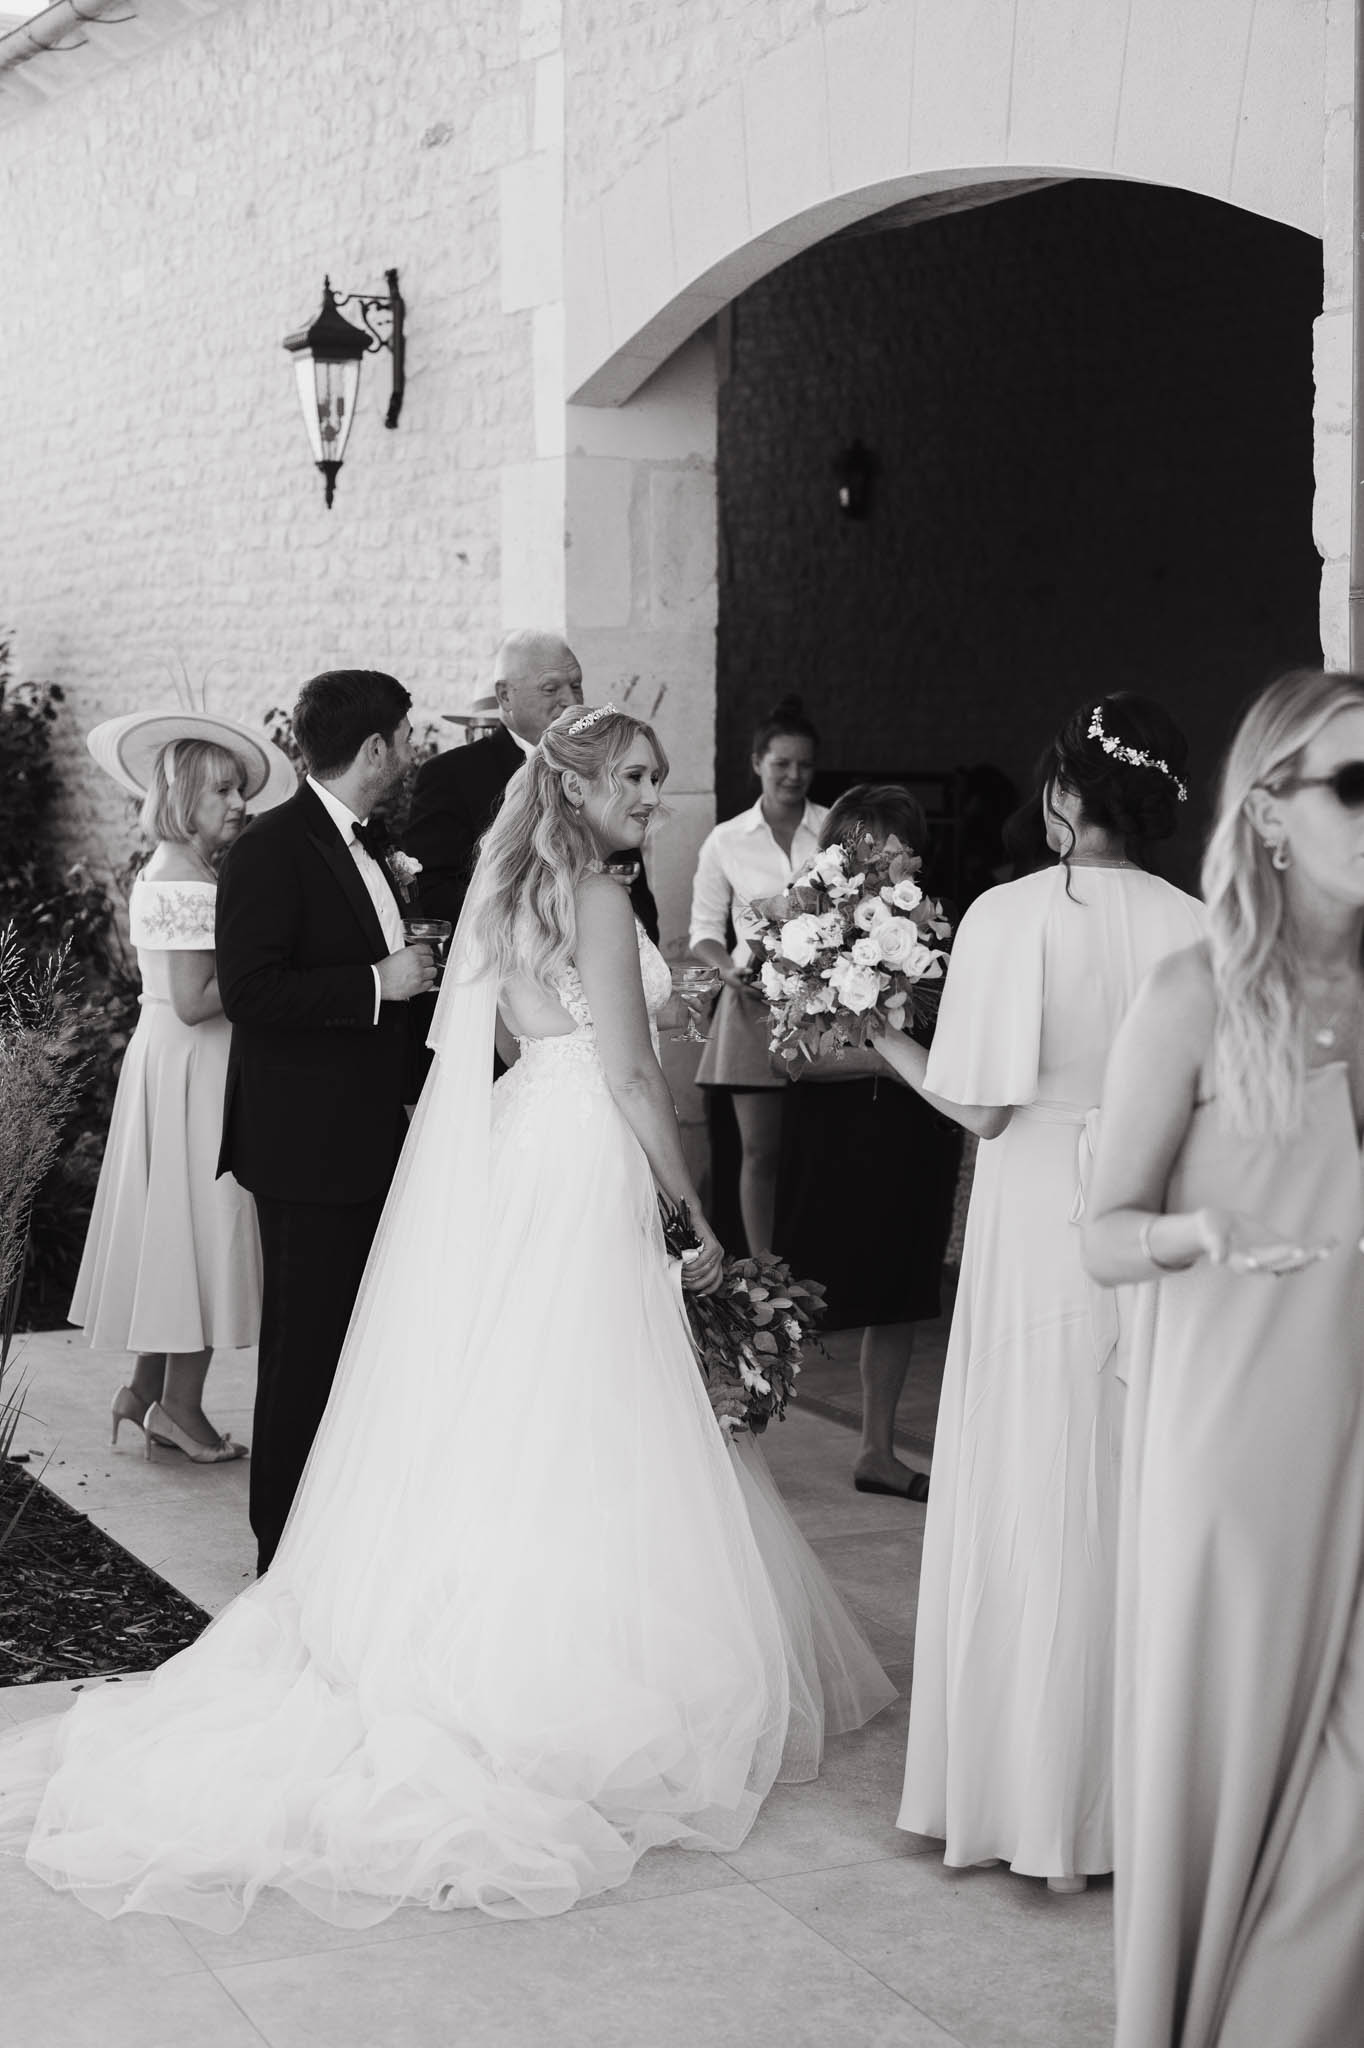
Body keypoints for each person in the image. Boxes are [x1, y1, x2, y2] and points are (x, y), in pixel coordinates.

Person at [0, 703, 893, 1928]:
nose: (652, 794)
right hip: (586, 1150)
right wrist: (695, 1211)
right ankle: (567, 1661)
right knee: (582, 1399)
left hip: (537, 1135)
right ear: (575, 784)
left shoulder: (516, 881)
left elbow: (526, 1044)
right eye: (633, 776)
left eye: (659, 778)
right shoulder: (588, 891)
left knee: (528, 1397)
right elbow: (631, 1073)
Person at [870, 693, 1205, 1890]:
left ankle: (1017, 1796)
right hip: (1146, 1215)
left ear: (1060, 794)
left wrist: (877, 1034)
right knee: (1125, 1480)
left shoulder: (1014, 914)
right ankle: (1130, 1807)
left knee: (1025, 1476)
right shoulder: (1194, 920)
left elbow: (979, 1103)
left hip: (1033, 1218)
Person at [1083, 669, 1364, 2048]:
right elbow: (1101, 1233)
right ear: (1267, 814)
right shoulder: (1193, 994)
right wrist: (1197, 1230)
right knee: (1235, 1774)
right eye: (1355, 786)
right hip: (1244, 1447)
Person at [214, 669, 436, 1575]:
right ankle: (280, 1556)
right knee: (302, 1359)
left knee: (357, 1350)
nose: (415, 753)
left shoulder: (373, 844)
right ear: (376, 747)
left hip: (371, 1135)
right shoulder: (273, 848)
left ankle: (338, 1540)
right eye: (409, 738)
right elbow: (251, 991)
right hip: (306, 1150)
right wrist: (376, 984)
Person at [72, 712, 295, 1462]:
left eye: (238, 789)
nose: (237, 803)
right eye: (221, 791)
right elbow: (199, 1000)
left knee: (176, 1224)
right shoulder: (185, 880)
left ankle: (143, 1395)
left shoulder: (178, 868)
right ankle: (181, 1407)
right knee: (200, 1226)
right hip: (194, 1062)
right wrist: (275, 974)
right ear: (182, 797)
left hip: (173, 1059)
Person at [773, 784, 962, 1501]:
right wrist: (893, 1049)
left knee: (897, 1297)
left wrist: (890, 1048)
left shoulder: (940, 931)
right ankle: (744, 1442)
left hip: (913, 1135)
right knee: (800, 1295)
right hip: (832, 1135)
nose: (885, 856)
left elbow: (951, 1045)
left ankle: (878, 1452)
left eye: (895, 842)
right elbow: (787, 1057)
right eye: (865, 842)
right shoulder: (805, 927)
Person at [403, 627, 658, 939]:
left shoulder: (607, 768)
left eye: (576, 685)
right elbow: (433, 896)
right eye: (550, 689)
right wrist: (563, 901)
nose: (570, 700)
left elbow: (636, 890)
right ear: (505, 696)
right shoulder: (451, 775)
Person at [690, 697, 826, 1253]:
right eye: (781, 764)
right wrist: (726, 972)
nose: (794, 775)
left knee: (820, 1147)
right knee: (759, 1151)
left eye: (804, 765)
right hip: (752, 1004)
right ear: (757, 764)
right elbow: (702, 930)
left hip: (829, 1003)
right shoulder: (725, 839)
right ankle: (767, 1269)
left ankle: (821, 1257)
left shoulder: (835, 825)